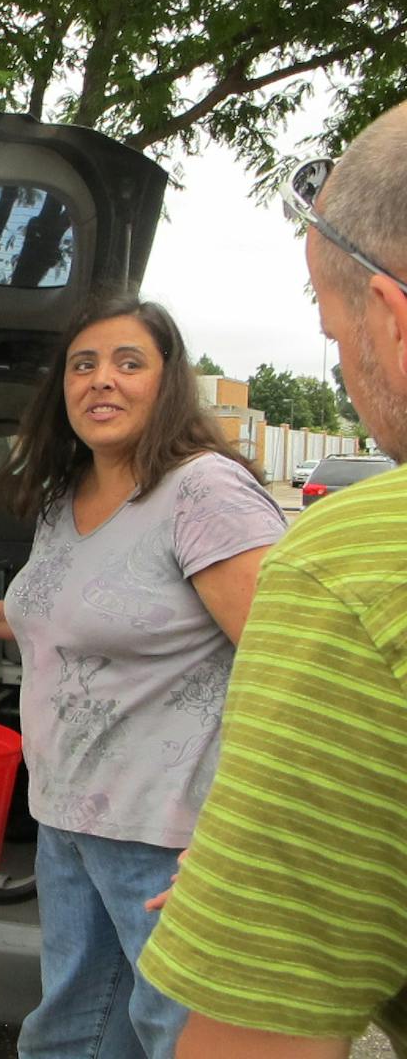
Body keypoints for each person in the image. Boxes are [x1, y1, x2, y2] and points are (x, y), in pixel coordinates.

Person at [0, 295, 286, 1058]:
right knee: (73, 1033)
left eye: (129, 363)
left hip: (169, 835)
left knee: (177, 1038)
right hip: (67, 819)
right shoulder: (65, 496)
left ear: (169, 383)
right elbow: (85, 612)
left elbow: (286, 667)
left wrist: (237, 839)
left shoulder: (203, 491)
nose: (102, 381)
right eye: (83, 365)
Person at [139, 106, 407, 1059]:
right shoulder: (65, 501)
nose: (343, 367)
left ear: (390, 316)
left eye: (335, 336)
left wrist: (259, 845)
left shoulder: (349, 565)